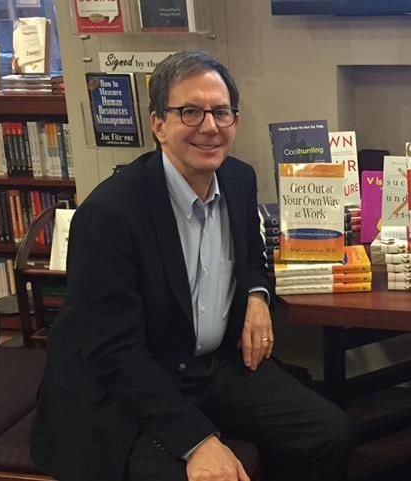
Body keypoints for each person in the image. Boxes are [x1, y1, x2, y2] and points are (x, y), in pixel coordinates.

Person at [30, 51, 355, 481]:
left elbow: (252, 253)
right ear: (158, 125)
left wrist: (257, 296)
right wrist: (196, 441)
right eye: (190, 112)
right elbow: (114, 352)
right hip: (128, 385)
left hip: (210, 367)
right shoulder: (109, 214)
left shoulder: (238, 180)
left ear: (235, 120)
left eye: (221, 112)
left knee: (329, 434)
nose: (209, 126)